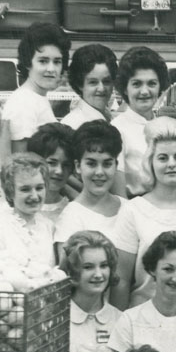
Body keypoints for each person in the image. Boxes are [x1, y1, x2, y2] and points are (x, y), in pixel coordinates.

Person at [117, 117, 176, 308]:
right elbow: (121, 280)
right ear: (150, 163)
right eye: (163, 158)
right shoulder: (133, 210)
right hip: (142, 317)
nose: (172, 164)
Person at [55, 120, 132, 308]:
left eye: (107, 164)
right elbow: (68, 278)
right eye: (91, 163)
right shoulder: (71, 216)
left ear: (116, 165)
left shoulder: (129, 208)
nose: (99, 172)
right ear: (78, 166)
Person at [0, 22, 68, 159]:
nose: (51, 69)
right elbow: (20, 163)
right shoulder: (23, 103)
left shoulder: (37, 97)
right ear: (27, 63)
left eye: (57, 62)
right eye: (43, 61)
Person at [0, 153, 56, 267]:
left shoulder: (49, 226)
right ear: (10, 192)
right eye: (25, 189)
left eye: (39, 188)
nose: (34, 196)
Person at [112, 46, 170, 197]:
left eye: (151, 84)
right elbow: (119, 194)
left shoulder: (166, 128)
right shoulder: (116, 130)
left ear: (160, 87)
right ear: (125, 88)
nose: (145, 91)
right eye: (137, 84)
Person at [60, 231, 122, 352]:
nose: (98, 274)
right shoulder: (57, 319)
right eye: (88, 267)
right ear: (72, 271)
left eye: (104, 266)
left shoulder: (121, 320)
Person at [27, 122, 75, 223]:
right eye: (52, 163)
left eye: (66, 165)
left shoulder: (73, 210)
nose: (59, 171)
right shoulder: (18, 207)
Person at [63, 43, 118, 129]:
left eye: (106, 81)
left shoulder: (109, 118)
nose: (101, 88)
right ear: (79, 84)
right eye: (93, 82)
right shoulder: (72, 125)